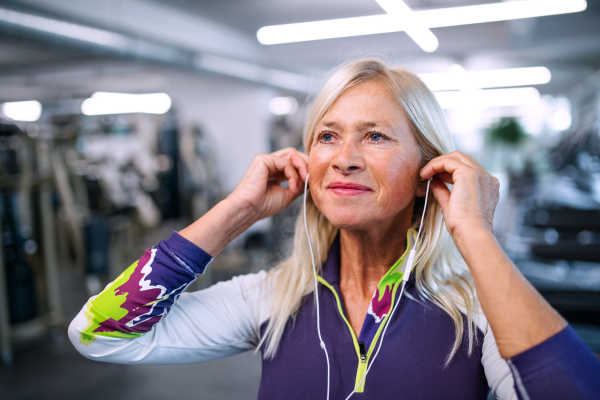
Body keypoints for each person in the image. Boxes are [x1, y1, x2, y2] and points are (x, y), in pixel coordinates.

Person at [69, 58, 600, 400]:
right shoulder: (274, 299)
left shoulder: (478, 313)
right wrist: (238, 210)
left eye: (375, 137)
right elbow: (97, 335)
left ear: (428, 174)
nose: (343, 159)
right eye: (327, 136)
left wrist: (475, 233)